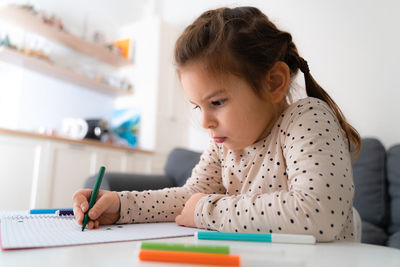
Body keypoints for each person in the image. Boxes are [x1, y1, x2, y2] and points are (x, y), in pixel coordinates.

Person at [72, 6, 361, 242]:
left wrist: (207, 210)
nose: (205, 121)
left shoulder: (306, 117)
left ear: (274, 82)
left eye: (218, 102)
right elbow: (190, 197)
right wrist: (122, 206)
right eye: (198, 106)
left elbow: (320, 214)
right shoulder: (223, 143)